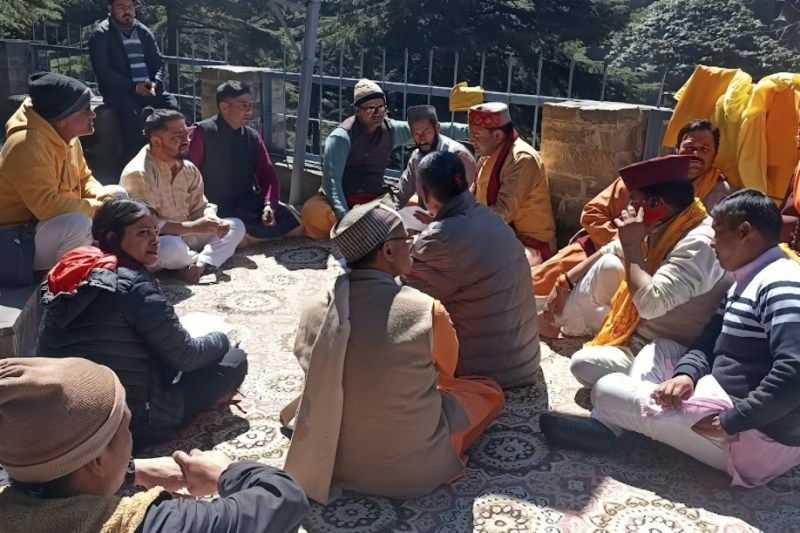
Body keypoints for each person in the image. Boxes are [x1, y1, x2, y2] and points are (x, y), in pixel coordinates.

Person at [540, 189, 800, 488]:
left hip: (754, 440)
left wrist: (733, 420)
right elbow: (707, 342)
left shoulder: (781, 283)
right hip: (729, 404)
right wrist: (686, 375)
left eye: (717, 233)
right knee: (660, 349)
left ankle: (608, 424)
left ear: (744, 232)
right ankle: (620, 421)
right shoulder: (747, 279)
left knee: (606, 390)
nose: (712, 242)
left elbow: (794, 370)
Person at [283, 199, 504, 503]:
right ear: (388, 251)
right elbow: (447, 374)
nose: (412, 244)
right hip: (414, 473)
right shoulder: (426, 310)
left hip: (330, 461)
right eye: (406, 238)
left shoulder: (311, 309)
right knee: (487, 392)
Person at [0, 357, 309, 531]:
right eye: (125, 427)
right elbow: (285, 499)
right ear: (97, 461)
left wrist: (131, 471)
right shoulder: (151, 525)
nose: (130, 437)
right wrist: (227, 473)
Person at [37, 197, 248, 449]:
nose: (155, 240)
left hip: (66, 418)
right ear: (112, 237)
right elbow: (186, 356)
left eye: (156, 232)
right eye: (143, 233)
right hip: (135, 421)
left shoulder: (71, 270)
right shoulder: (134, 286)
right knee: (235, 360)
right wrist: (222, 339)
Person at [542, 154, 730, 387]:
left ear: (655, 205)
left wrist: (631, 246)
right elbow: (611, 249)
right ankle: (551, 320)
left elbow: (651, 305)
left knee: (582, 364)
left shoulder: (699, 243)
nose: (626, 210)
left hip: (663, 346)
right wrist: (565, 281)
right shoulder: (669, 220)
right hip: (639, 324)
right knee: (608, 264)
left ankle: (557, 322)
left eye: (633, 202)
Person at [533, 119, 730, 297]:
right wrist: (625, 241)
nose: (695, 154)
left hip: (664, 268)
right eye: (689, 148)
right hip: (602, 249)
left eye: (704, 149)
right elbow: (592, 214)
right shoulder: (644, 178)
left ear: (714, 155)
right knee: (538, 284)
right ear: (677, 149)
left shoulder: (721, 193)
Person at [404, 151, 540, 388]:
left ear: (425, 194)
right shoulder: (490, 217)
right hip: (525, 361)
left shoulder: (438, 239)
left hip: (486, 373)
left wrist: (396, 255)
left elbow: (408, 300)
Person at [300, 78, 468, 238]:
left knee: (419, 203)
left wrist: (470, 130)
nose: (377, 113)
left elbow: (434, 128)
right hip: (342, 200)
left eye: (381, 107)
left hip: (374, 200)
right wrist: (344, 218)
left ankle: (368, 227)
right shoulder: (341, 137)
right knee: (312, 211)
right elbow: (332, 183)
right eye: (370, 109)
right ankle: (363, 227)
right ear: (357, 111)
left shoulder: (391, 130)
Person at [0, 72, 125, 271]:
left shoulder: (66, 134)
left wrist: (106, 200)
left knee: (118, 194)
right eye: (86, 109)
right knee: (77, 223)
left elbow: (84, 178)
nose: (93, 114)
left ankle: (111, 259)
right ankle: (66, 279)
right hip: (14, 242)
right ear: (62, 119)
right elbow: (47, 206)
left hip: (41, 229)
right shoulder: (28, 144)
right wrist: (100, 209)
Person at [120, 108, 245, 283]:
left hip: (187, 235)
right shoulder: (139, 173)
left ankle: (199, 265)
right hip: (157, 241)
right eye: (178, 136)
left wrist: (212, 220)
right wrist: (194, 227)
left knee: (235, 226)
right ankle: (202, 260)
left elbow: (200, 207)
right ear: (156, 142)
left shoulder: (188, 168)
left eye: (187, 134)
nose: (187, 141)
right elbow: (147, 227)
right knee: (172, 248)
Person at [188, 80, 303, 245]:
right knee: (234, 232)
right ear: (224, 107)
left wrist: (269, 205)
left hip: (246, 203)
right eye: (243, 106)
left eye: (250, 105)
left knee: (295, 225)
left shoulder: (252, 137)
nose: (249, 111)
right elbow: (188, 178)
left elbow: (267, 175)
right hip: (213, 206)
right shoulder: (201, 133)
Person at [467, 102, 556, 266]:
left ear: (497, 136)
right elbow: (471, 196)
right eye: (470, 133)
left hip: (531, 245)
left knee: (485, 265)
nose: (471, 140)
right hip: (492, 233)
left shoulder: (522, 160)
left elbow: (502, 213)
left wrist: (463, 223)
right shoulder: (487, 155)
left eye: (477, 135)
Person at [89, 0, 179, 159]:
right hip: (119, 92)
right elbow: (104, 71)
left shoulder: (143, 32)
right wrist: (133, 87)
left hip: (148, 88)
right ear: (110, 9)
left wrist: (155, 82)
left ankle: (171, 153)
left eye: (130, 7)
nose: (127, 11)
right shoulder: (101, 34)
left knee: (171, 105)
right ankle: (131, 159)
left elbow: (158, 62)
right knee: (132, 117)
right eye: (121, 7)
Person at [394, 105, 476, 210]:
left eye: (426, 132)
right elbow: (401, 194)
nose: (422, 139)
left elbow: (462, 201)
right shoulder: (416, 156)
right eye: (416, 134)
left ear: (437, 128)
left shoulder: (458, 156)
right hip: (425, 213)